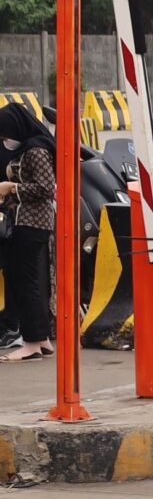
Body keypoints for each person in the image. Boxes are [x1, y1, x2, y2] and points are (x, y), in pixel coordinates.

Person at [0, 103, 60, 363]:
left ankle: (32, 343)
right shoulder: (29, 147)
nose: (4, 140)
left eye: (4, 135)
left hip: (32, 222)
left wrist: (11, 188)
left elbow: (46, 188)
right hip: (25, 220)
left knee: (26, 282)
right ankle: (41, 339)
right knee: (22, 279)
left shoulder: (36, 149)